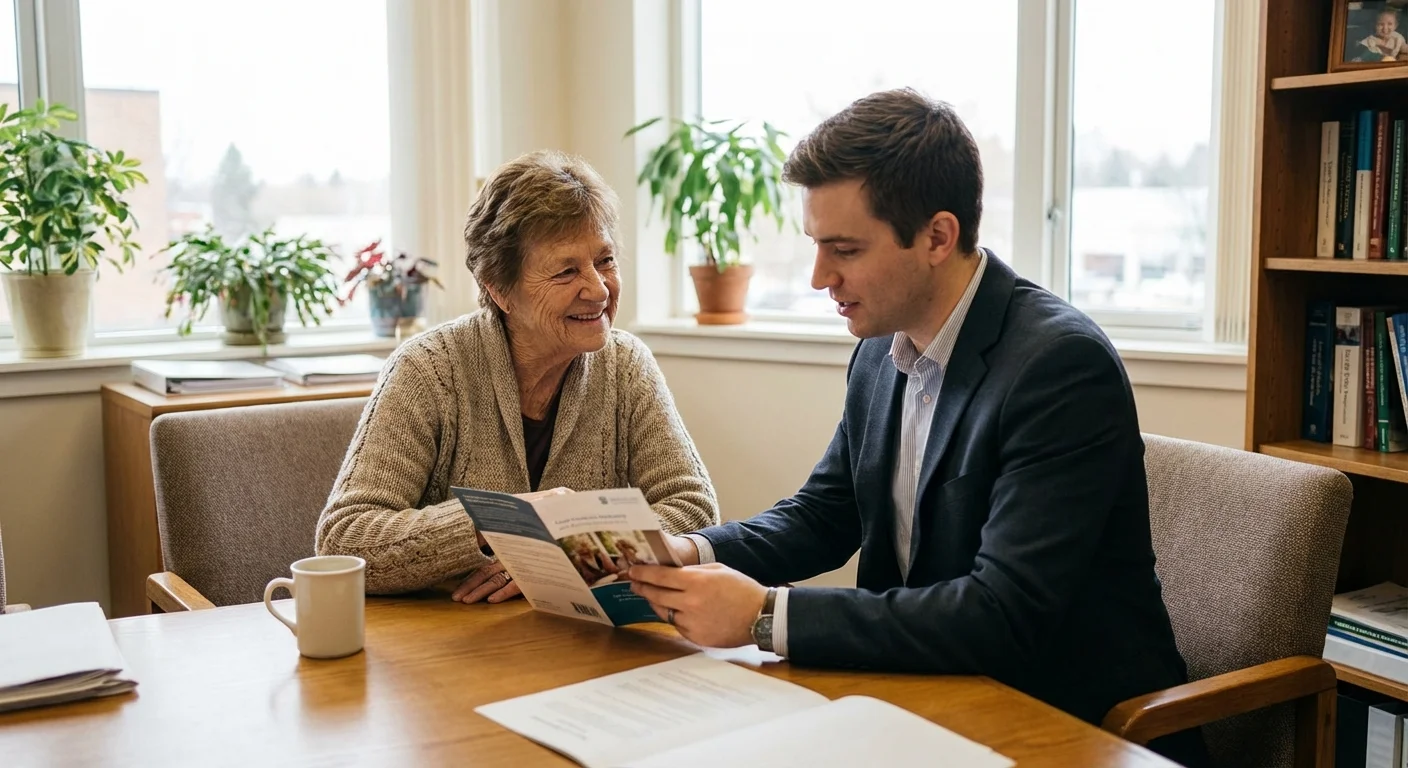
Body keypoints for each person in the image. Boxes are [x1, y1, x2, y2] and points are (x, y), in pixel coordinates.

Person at [626, 89, 1209, 766]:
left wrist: (765, 615)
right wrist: (689, 552)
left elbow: (1003, 614)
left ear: (937, 236)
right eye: (817, 247)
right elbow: (826, 514)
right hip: (919, 697)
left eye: (844, 249)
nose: (820, 277)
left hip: (1063, 722)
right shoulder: (881, 347)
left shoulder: (1059, 368)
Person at [317, 149, 719, 604]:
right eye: (567, 271)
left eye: (604, 260)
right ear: (499, 290)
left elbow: (694, 511)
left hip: (581, 641)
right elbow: (345, 539)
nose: (599, 288)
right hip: (449, 646)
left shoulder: (626, 364)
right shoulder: (428, 369)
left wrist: (566, 553)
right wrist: (500, 522)